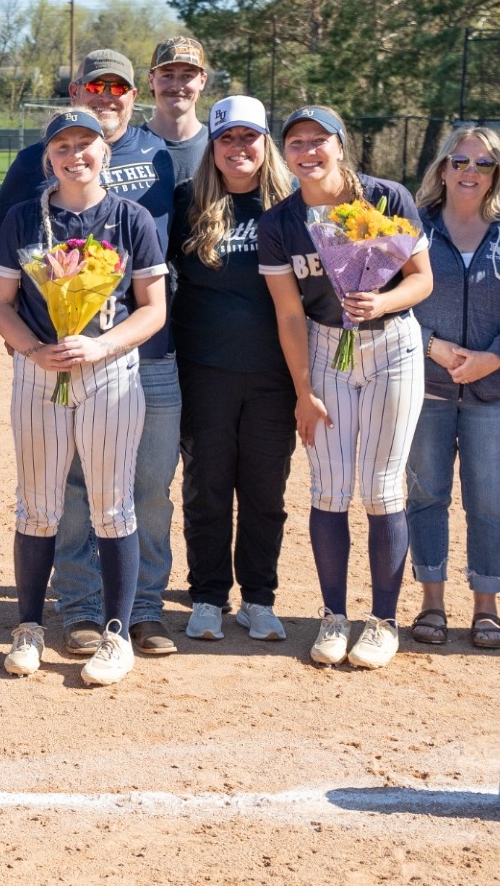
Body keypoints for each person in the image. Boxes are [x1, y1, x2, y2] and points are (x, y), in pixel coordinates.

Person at [0, 48, 192, 658]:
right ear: (47, 157)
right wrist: (33, 349)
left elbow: (153, 306)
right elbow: (0, 303)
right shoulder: (25, 216)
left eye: (85, 145)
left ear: (106, 151)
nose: (75, 155)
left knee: (121, 499)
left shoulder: (135, 209)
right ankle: (42, 621)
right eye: (63, 147)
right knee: (44, 501)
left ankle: (123, 626)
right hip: (41, 371)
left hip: (118, 370)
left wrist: (100, 345)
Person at [258, 105, 432, 670]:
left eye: (319, 140)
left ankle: (382, 622)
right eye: (296, 142)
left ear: (340, 144)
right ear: (285, 154)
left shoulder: (385, 197)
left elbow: (422, 280)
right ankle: (334, 616)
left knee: (382, 488)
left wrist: (381, 301)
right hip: (325, 346)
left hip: (392, 344)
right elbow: (289, 314)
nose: (308, 151)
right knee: (330, 488)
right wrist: (303, 391)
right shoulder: (280, 222)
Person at [406, 125, 500, 650]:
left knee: (490, 501)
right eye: (460, 161)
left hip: (498, 392)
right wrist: (433, 347)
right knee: (426, 494)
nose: (470, 171)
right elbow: (386, 301)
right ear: (443, 168)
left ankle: (486, 606)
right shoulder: (411, 227)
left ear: (496, 174)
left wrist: (494, 357)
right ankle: (432, 601)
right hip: (426, 388)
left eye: (483, 164)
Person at [170, 96, 297, 644]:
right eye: (227, 138)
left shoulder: (292, 205)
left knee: (266, 492)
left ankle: (259, 599)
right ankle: (207, 596)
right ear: (212, 145)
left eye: (249, 137)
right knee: (208, 488)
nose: (238, 147)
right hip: (205, 370)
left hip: (275, 375)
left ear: (266, 143)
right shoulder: (188, 201)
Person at [143, 36, 211, 196]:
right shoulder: (130, 147)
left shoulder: (218, 147)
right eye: (167, 75)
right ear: (151, 80)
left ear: (202, 81)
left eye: (187, 76)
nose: (176, 85)